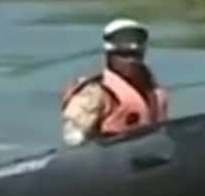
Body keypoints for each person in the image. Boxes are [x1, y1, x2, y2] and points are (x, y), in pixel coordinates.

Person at [60, 18, 169, 146]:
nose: (131, 61)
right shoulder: (95, 92)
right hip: (107, 156)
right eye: (123, 55)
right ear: (109, 56)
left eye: (136, 55)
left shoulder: (153, 90)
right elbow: (72, 139)